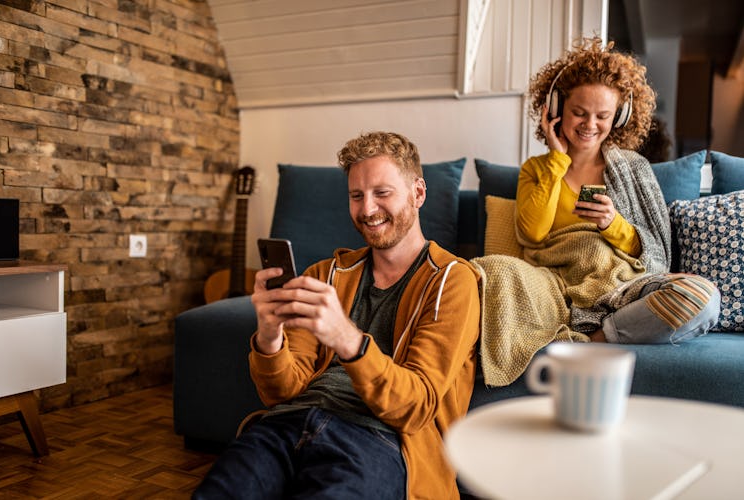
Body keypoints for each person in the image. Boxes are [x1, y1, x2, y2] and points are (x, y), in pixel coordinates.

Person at [193, 131, 481, 499]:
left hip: (377, 439)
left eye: (382, 192)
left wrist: (348, 339)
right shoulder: (323, 274)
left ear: (418, 193)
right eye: (356, 196)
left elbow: (417, 405)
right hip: (287, 425)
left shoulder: (452, 281)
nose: (367, 209)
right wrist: (269, 335)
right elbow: (280, 393)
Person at [471, 37, 720, 387]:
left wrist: (612, 223)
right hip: (553, 287)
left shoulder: (633, 168)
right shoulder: (537, 169)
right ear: (556, 108)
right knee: (489, 269)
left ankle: (594, 340)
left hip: (621, 289)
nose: (590, 124)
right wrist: (557, 158)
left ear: (619, 116)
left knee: (702, 297)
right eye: (579, 112)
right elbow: (531, 234)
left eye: (602, 115)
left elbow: (655, 254)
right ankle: (585, 334)